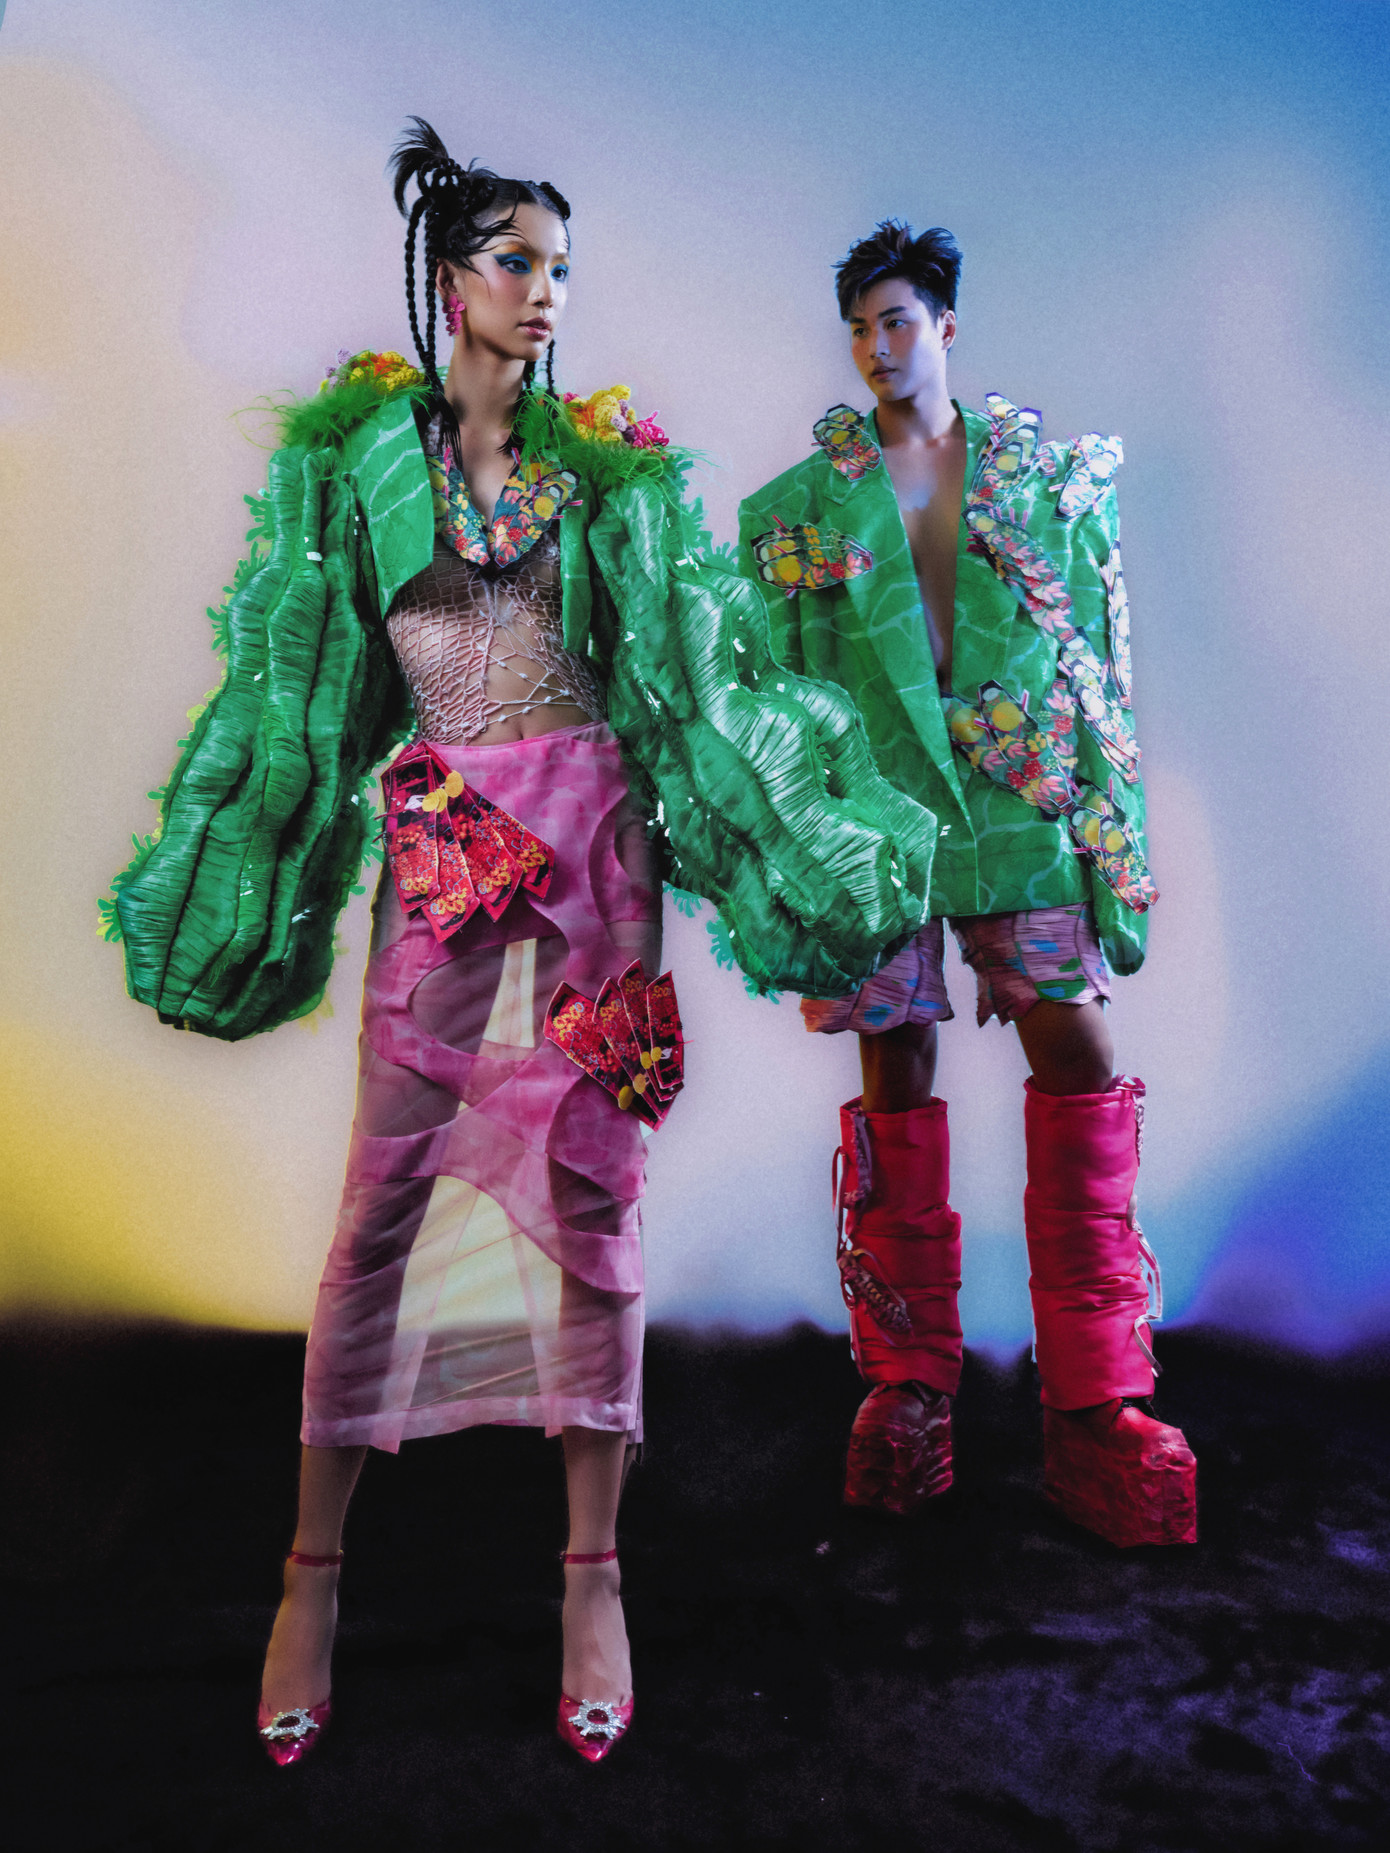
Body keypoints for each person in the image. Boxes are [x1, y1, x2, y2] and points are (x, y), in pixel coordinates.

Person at [106, 129, 934, 1765]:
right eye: (514, 262)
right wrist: (228, 897)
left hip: (598, 860)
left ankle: (591, 1576)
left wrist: (810, 863)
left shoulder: (614, 476)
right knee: (381, 1201)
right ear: (449, 279)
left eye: (559, 268)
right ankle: (310, 1575)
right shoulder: (357, 468)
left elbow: (696, 696)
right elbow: (300, 703)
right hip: (440, 858)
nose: (545, 293)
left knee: (592, 1197)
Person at [737, 220, 1197, 1549]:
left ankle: (1098, 1396)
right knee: (894, 1064)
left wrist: (1110, 826)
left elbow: (1097, 663)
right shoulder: (800, 509)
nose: (879, 346)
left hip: (1016, 796)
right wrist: (798, 839)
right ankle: (907, 1387)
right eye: (860, 326)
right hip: (876, 810)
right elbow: (780, 692)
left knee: (1074, 1045)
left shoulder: (1045, 483)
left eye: (899, 319)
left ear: (946, 327)